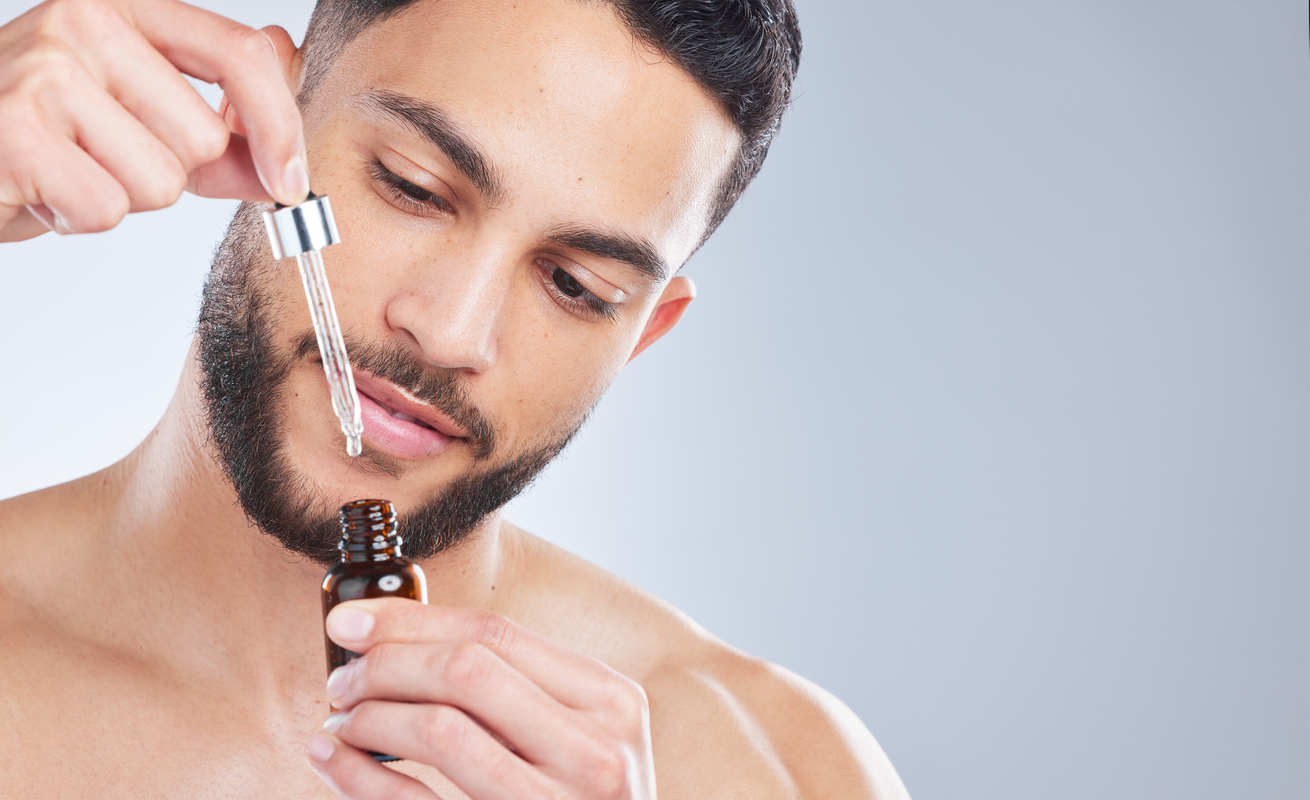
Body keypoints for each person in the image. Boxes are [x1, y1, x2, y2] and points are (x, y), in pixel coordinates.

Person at [0, 0, 910, 797]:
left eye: (577, 286)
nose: (451, 332)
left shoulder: (770, 771)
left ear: (641, 336)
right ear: (265, 112)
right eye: (414, 187)